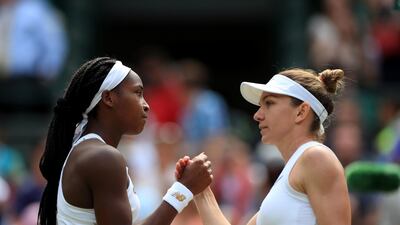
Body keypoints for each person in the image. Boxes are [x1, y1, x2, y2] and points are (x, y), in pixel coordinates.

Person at [38, 57, 213, 225]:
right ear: (108, 98)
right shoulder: (103, 157)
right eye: (137, 93)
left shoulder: (94, 152)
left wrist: (182, 186)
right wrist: (183, 189)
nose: (146, 105)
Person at [176, 68, 351, 225]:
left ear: (301, 112)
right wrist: (200, 189)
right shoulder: (293, 172)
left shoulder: (316, 157)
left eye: (269, 103)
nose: (257, 115)